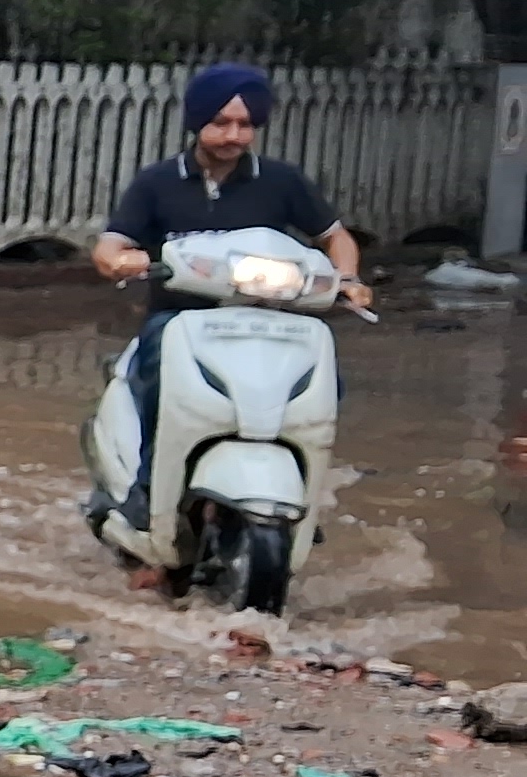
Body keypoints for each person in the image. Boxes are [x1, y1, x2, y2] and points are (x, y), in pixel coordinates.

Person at [89, 60, 372, 528]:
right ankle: (145, 503)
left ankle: (298, 488)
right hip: (180, 321)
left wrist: (348, 278)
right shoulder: (157, 182)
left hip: (274, 320)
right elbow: (110, 245)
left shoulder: (282, 181)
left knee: (326, 383)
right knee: (157, 390)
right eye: (221, 123)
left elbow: (336, 236)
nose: (234, 136)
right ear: (197, 122)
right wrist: (121, 260)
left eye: (245, 125)